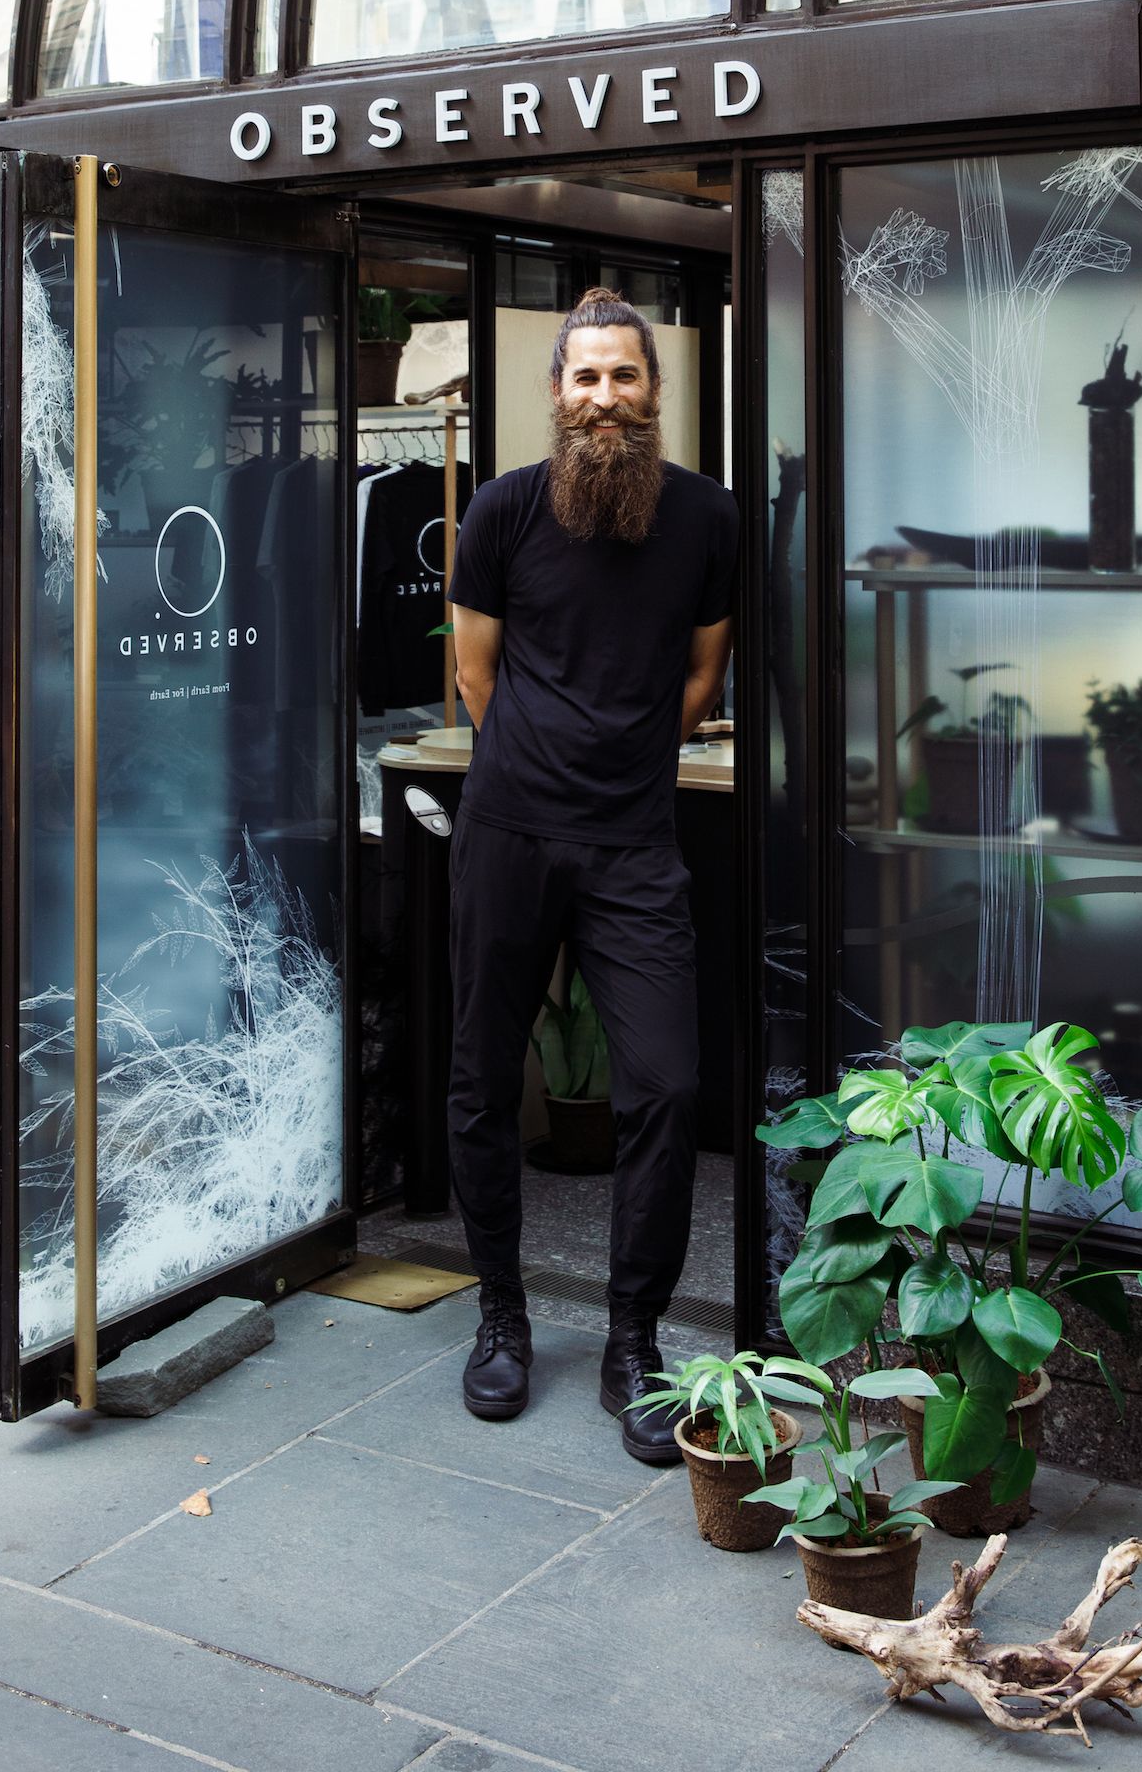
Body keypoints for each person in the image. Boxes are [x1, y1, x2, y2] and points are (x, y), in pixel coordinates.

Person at [444, 288, 738, 1463]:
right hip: (509, 830)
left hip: (634, 843)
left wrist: (616, 754)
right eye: (584, 378)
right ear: (556, 391)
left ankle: (632, 1336)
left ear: (653, 392)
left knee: (664, 1084)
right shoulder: (503, 510)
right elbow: (476, 676)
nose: (603, 397)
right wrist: (543, 756)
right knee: (478, 1075)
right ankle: (501, 1314)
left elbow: (701, 677)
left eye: (623, 376)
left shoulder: (706, 518)